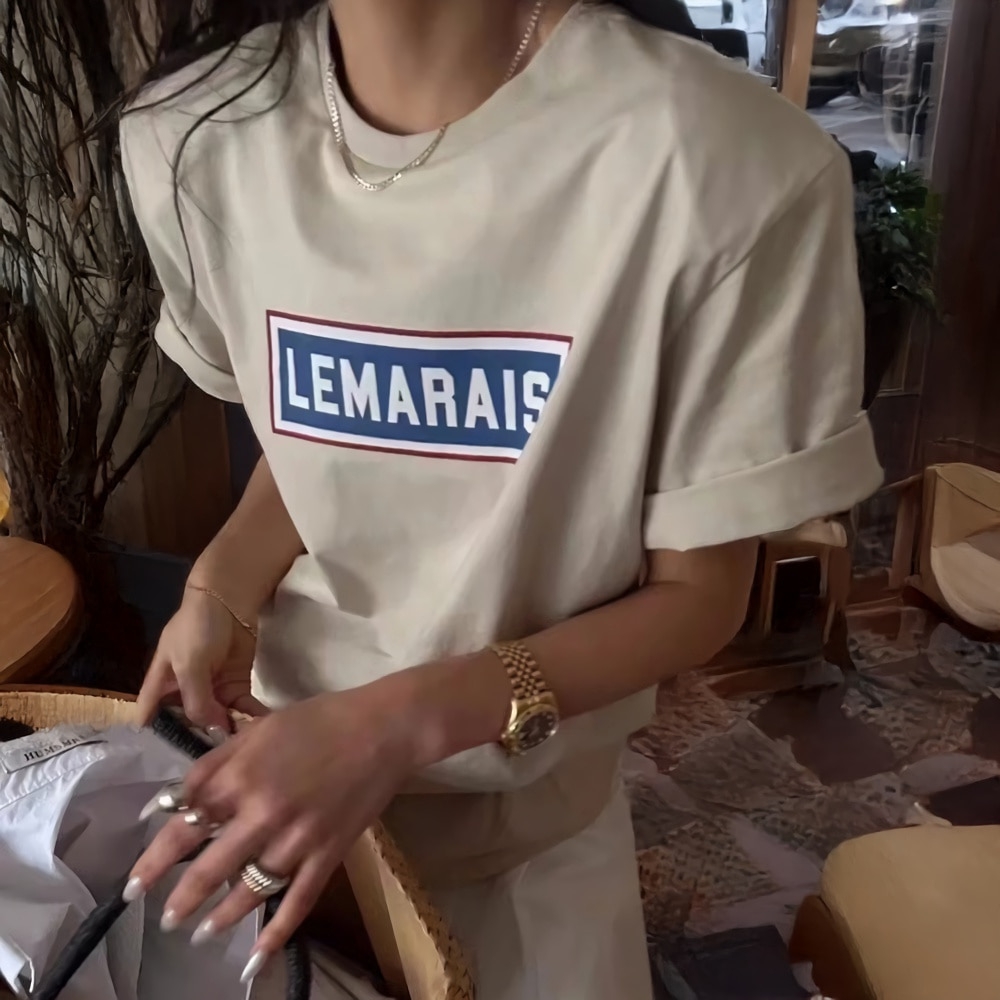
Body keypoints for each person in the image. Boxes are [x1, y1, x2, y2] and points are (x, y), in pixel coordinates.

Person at [118, 1, 883, 998]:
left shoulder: (724, 162)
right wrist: (220, 585)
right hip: (274, 782)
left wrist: (388, 726)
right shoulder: (191, 133)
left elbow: (700, 597)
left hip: (526, 851)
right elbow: (323, 451)